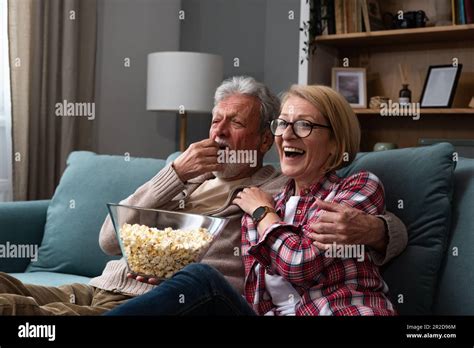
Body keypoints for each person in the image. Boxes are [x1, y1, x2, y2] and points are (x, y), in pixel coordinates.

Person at [0, 77, 406, 315]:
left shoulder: (269, 190)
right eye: (215, 120)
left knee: (23, 313)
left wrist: (379, 230)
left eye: (235, 122)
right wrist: (175, 173)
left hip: (160, 301)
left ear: (263, 139)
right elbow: (110, 240)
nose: (218, 132)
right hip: (105, 284)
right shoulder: (190, 179)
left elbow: (343, 218)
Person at [106, 84, 396, 316]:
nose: (288, 135)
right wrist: (170, 277)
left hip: (341, 311)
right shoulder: (263, 202)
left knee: (201, 277)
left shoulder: (270, 198)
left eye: (304, 125)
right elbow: (110, 238)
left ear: (336, 142)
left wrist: (378, 230)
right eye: (282, 124)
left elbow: (300, 263)